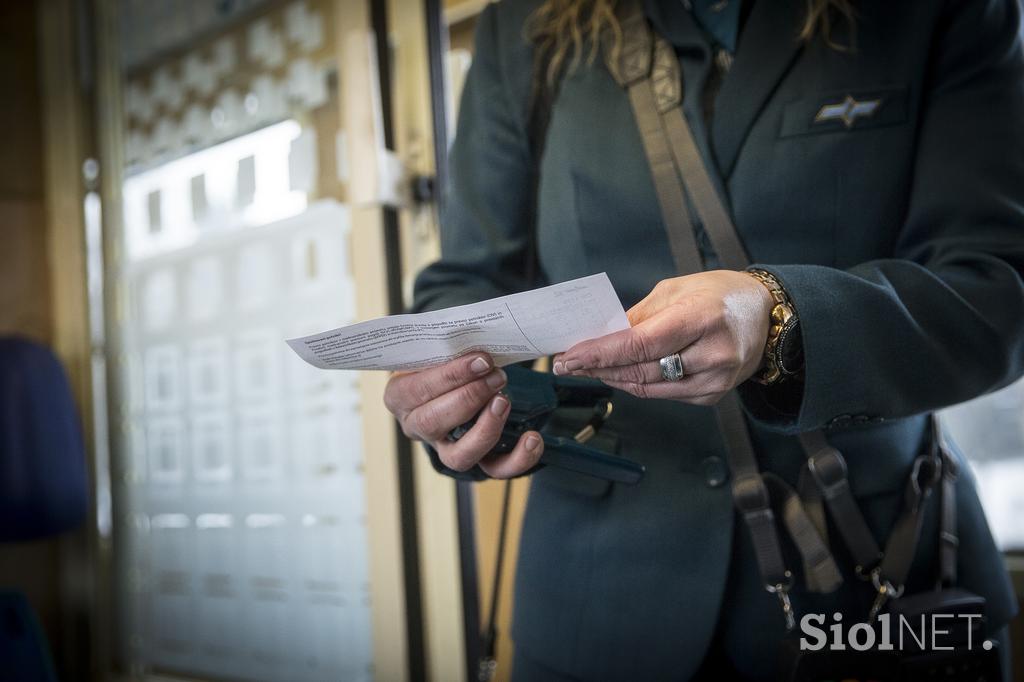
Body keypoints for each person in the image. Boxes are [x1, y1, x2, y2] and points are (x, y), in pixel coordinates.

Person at [384, 0, 1024, 679]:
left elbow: (998, 284)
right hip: (595, 605)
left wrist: (780, 318)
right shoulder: (524, 27)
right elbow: (469, 279)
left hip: (876, 587)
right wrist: (452, 388)